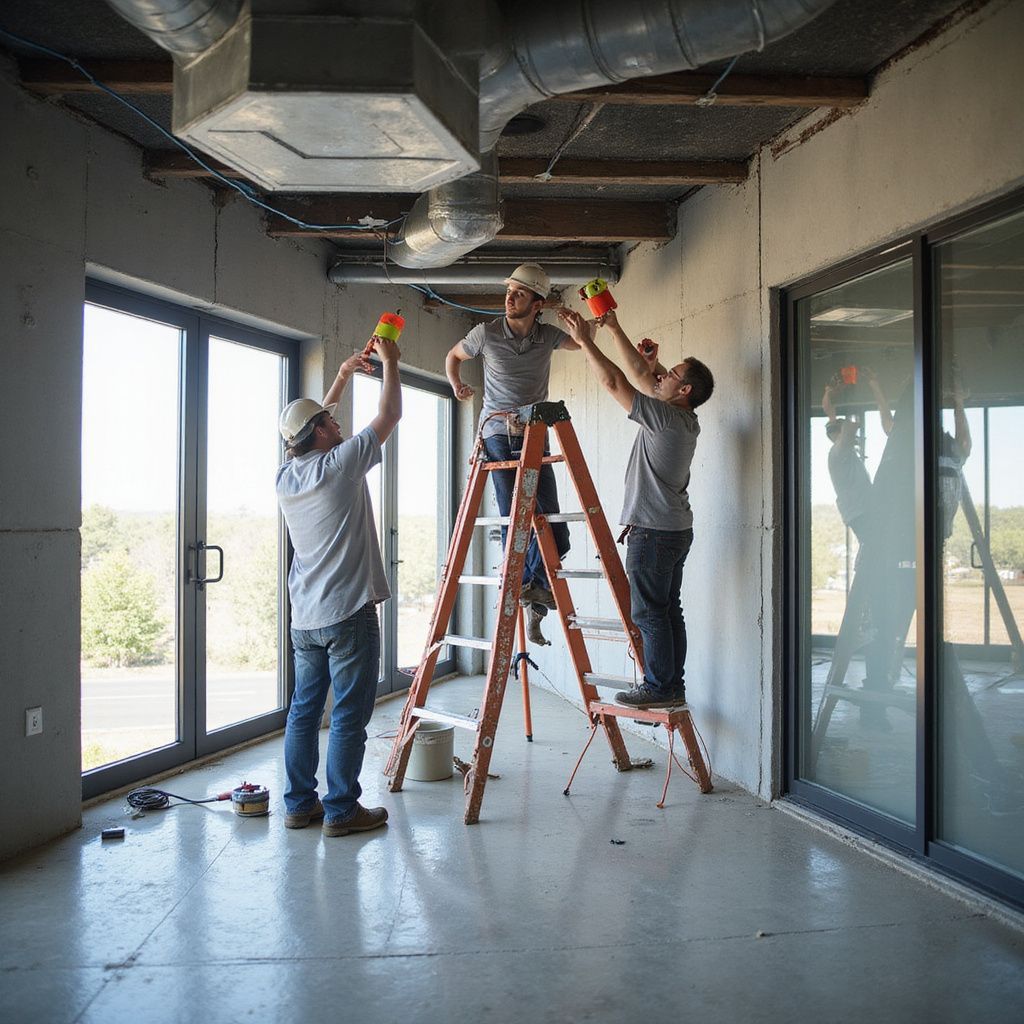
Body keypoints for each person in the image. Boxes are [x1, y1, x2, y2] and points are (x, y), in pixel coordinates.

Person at [275, 336, 402, 837]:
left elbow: (311, 422)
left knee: (304, 712)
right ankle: (343, 811)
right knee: (349, 714)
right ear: (321, 434)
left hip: (305, 618)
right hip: (348, 613)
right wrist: (390, 362)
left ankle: (299, 804)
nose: (338, 421)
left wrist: (345, 375)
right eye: (331, 422)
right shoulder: (341, 465)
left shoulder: (286, 475)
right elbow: (389, 414)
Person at [558, 306, 714, 709]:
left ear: (683, 392)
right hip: (674, 530)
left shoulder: (663, 419)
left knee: (648, 614)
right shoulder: (685, 419)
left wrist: (585, 340)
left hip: (654, 533)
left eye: (672, 374)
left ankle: (660, 688)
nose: (662, 375)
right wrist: (612, 327)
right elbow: (646, 376)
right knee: (666, 610)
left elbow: (614, 381)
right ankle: (670, 685)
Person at [445, 262, 582, 645]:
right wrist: (456, 384)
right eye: (509, 291)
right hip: (498, 435)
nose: (510, 298)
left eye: (520, 293)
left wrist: (586, 330)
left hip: (535, 433)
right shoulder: (485, 334)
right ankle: (528, 587)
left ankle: (534, 594)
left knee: (554, 526)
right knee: (516, 521)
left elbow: (582, 346)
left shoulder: (548, 335)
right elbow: (453, 357)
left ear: (538, 303)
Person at [822, 367, 893, 544]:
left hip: (860, 510)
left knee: (874, 546)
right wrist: (841, 400)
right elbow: (850, 428)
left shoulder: (840, 453)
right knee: (878, 545)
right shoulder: (838, 452)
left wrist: (830, 396)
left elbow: (836, 423)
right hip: (861, 511)